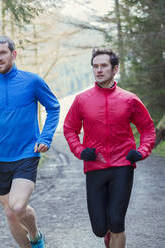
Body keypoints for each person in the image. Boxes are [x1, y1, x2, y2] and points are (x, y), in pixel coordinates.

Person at [0, 35, 60, 248]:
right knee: (10, 213)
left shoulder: (32, 81)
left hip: (27, 153)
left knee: (18, 207)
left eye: (3, 53)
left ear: (14, 54)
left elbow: (53, 107)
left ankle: (35, 235)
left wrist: (45, 137)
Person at [63, 48, 156, 248]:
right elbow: (70, 128)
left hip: (123, 165)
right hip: (95, 166)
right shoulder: (82, 100)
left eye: (104, 65)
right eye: (95, 66)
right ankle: (107, 236)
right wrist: (80, 150)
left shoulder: (129, 99)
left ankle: (114, 234)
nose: (99, 70)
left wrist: (140, 152)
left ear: (115, 69)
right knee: (99, 227)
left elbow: (148, 128)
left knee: (116, 221)